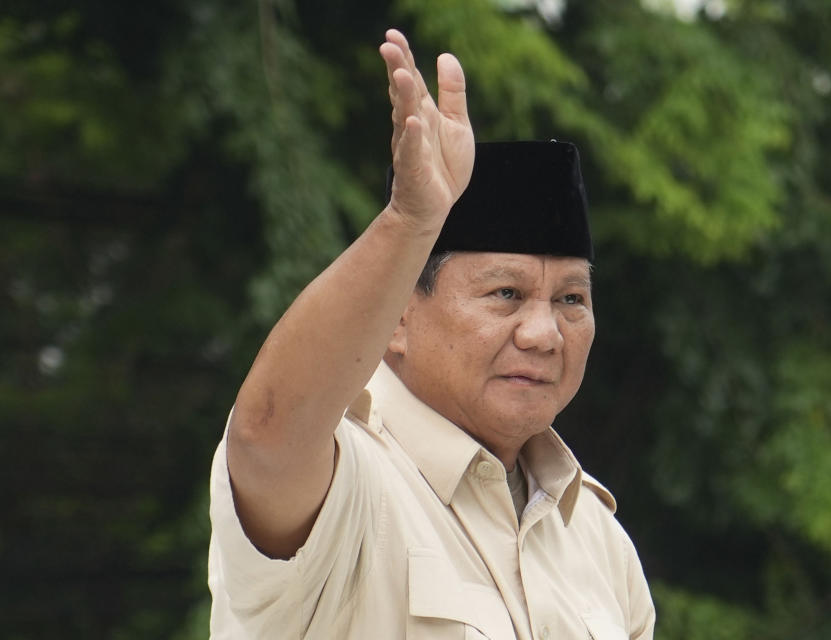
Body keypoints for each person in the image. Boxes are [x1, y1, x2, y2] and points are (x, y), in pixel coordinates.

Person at [207, 28, 656, 639]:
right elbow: (264, 434)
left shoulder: (597, 540)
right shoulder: (346, 481)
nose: (544, 333)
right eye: (507, 295)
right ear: (396, 317)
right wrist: (411, 222)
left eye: (572, 299)